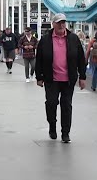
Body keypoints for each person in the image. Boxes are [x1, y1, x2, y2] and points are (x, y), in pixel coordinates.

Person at [35, 13, 88, 142]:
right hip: (51, 78)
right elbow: (39, 59)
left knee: (66, 105)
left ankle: (65, 133)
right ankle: (52, 126)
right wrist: (39, 77)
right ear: (53, 24)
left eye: (63, 22)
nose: (61, 25)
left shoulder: (73, 39)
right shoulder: (45, 40)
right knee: (51, 103)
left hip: (68, 79)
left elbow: (81, 59)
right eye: (58, 22)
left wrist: (82, 77)